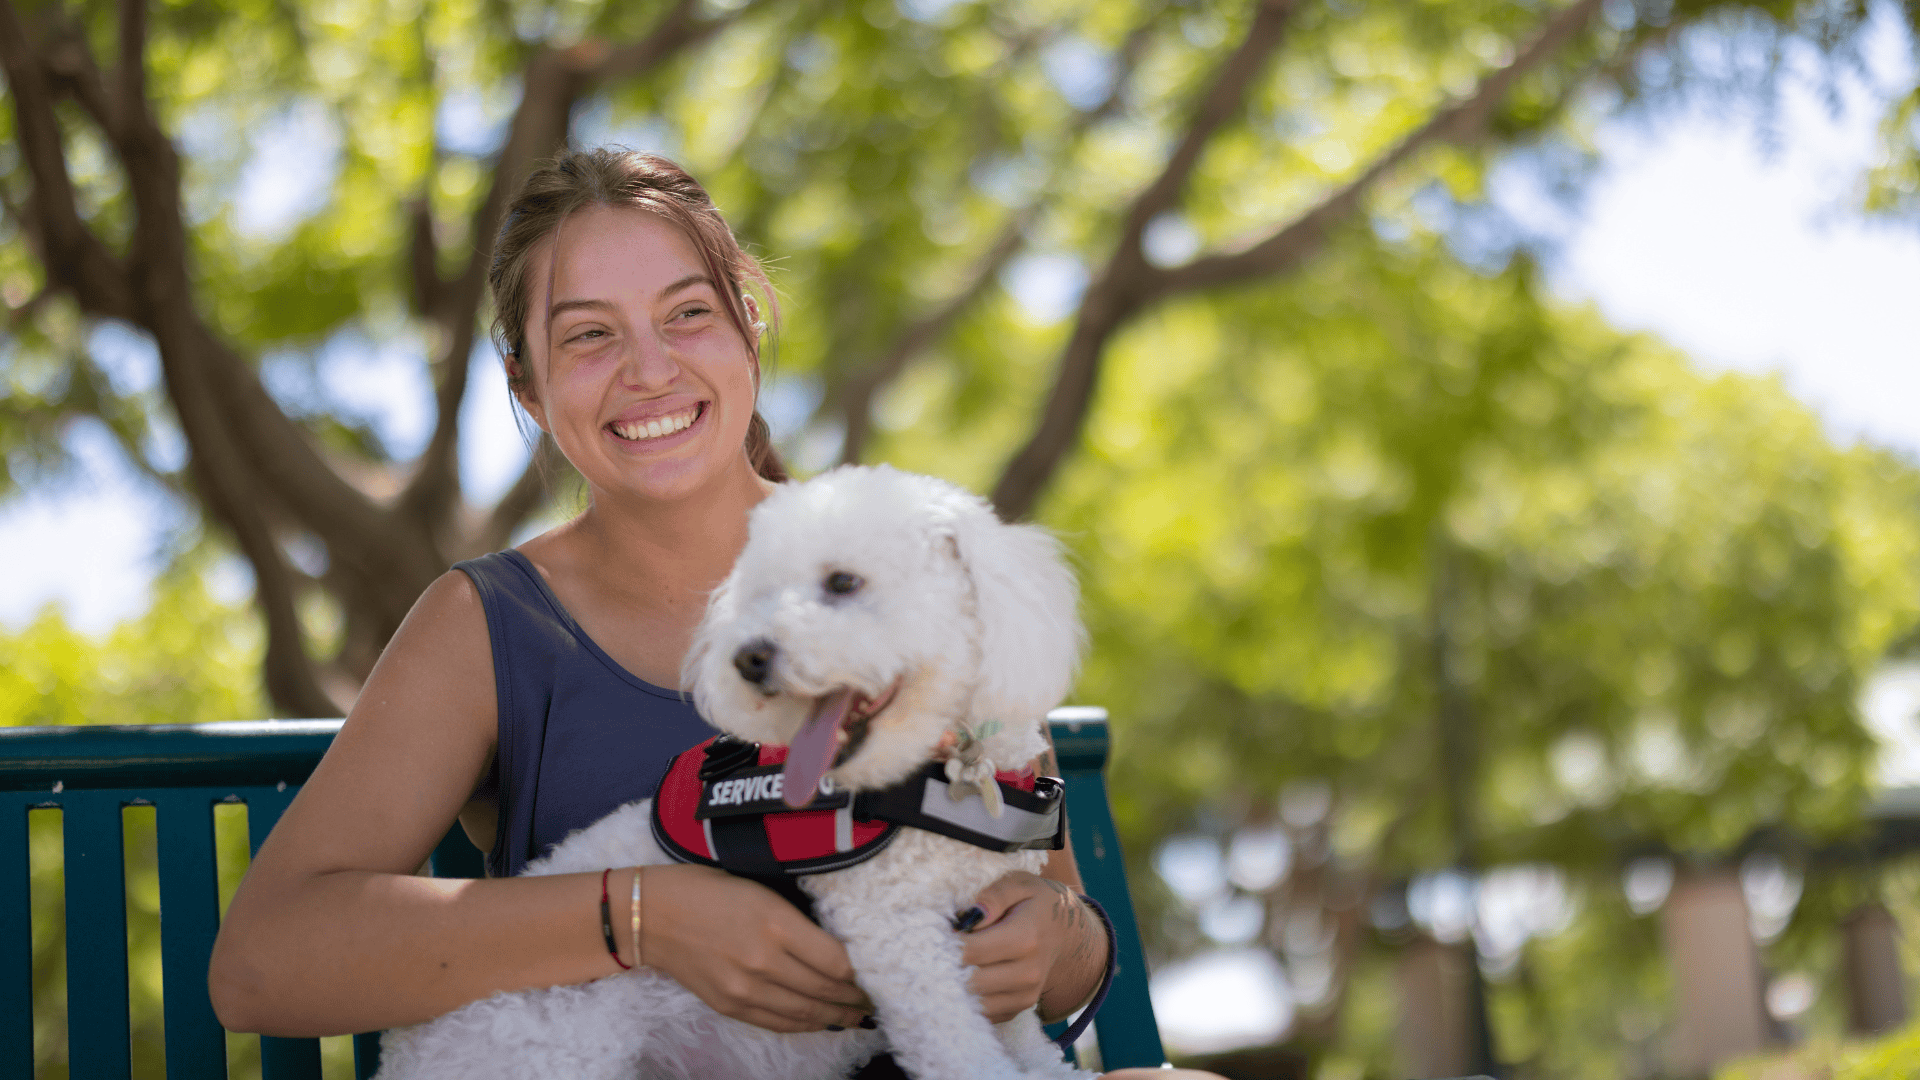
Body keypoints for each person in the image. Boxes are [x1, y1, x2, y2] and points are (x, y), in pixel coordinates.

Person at [208, 147, 1212, 1080]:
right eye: (590, 336)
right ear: (527, 383)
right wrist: (638, 917)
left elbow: (1062, 931)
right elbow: (263, 962)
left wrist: (1055, 939)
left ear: (749, 326)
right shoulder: (490, 625)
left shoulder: (910, 566)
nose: (650, 370)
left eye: (687, 314)